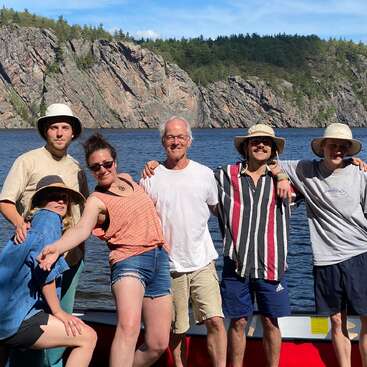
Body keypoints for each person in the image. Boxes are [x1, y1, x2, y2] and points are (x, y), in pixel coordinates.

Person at [38, 133, 172, 367]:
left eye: (107, 163)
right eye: (95, 167)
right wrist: (56, 248)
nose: (102, 169)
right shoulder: (96, 200)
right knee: (128, 329)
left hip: (158, 260)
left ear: (115, 162)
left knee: (158, 343)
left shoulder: (130, 179)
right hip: (129, 262)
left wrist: (156, 163)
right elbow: (81, 230)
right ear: (91, 170)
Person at [0, 103, 89, 367]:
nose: (59, 133)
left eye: (65, 127)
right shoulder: (27, 161)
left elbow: (82, 213)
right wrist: (19, 223)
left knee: (65, 326)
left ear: (72, 133)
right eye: (54, 127)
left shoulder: (77, 169)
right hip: (36, 261)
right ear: (45, 132)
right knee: (27, 324)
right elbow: (5, 200)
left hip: (70, 260)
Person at [276, 123, 367, 367]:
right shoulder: (305, 170)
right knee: (336, 322)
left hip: (359, 254)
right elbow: (271, 160)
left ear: (348, 150)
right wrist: (283, 177)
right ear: (322, 147)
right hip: (325, 260)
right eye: (332, 145)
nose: (337, 150)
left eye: (342, 146)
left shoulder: (361, 174)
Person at [140, 116, 227, 367]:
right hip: (168, 266)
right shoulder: (150, 177)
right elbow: (141, 217)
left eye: (180, 137)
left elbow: (217, 209)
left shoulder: (204, 174)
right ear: (163, 141)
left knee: (215, 320)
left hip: (202, 261)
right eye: (170, 137)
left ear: (189, 141)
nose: (175, 141)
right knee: (177, 328)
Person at [214, 124, 292, 367]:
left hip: (271, 264)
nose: (261, 145)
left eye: (266, 142)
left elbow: (322, 171)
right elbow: (188, 178)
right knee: (237, 321)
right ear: (246, 147)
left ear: (273, 149)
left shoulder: (287, 180)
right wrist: (157, 165)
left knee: (271, 321)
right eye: (255, 141)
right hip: (236, 263)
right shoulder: (225, 175)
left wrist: (355, 163)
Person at [0, 175, 97, 367]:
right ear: (42, 201)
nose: (61, 201)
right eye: (54, 196)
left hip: (5, 313)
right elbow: (44, 268)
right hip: (15, 319)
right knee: (87, 338)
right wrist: (58, 311)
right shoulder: (49, 219)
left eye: (64, 197)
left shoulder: (29, 226)